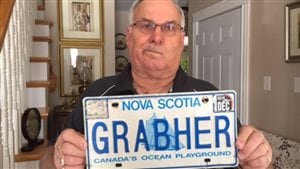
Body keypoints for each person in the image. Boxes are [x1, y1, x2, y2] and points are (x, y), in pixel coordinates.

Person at [40, 0, 272, 168]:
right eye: (146, 25)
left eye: (169, 27)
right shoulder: (98, 93)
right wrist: (58, 157)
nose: (157, 37)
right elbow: (46, 159)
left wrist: (259, 159)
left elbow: (243, 159)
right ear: (129, 36)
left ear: (182, 40)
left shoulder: (209, 97)